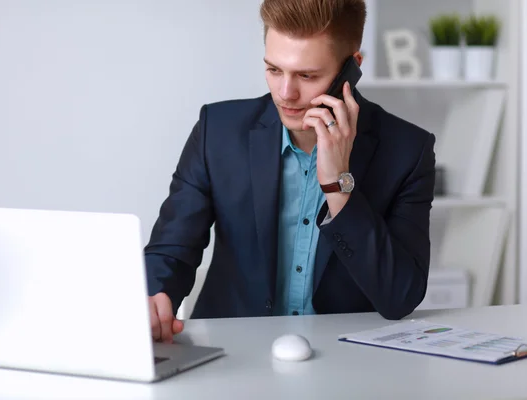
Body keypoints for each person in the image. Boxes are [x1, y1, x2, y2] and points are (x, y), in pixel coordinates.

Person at [145, 0, 436, 343]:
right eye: (274, 70)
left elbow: (400, 297)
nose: (286, 94)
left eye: (307, 76)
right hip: (233, 355)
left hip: (346, 362)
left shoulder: (407, 151)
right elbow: (171, 250)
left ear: (352, 68)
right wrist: (153, 299)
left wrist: (339, 186)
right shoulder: (218, 132)